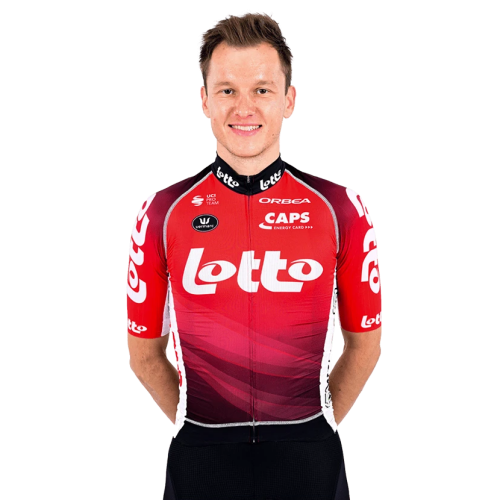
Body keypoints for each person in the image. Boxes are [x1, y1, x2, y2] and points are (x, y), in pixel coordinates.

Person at [126, 10, 381, 500]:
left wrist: (312, 426)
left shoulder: (341, 208)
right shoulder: (160, 212)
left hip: (309, 458)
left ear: (289, 99)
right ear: (204, 100)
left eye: (262, 89)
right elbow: (143, 354)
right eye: (227, 90)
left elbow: (366, 345)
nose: (244, 107)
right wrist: (200, 425)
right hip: (201, 459)